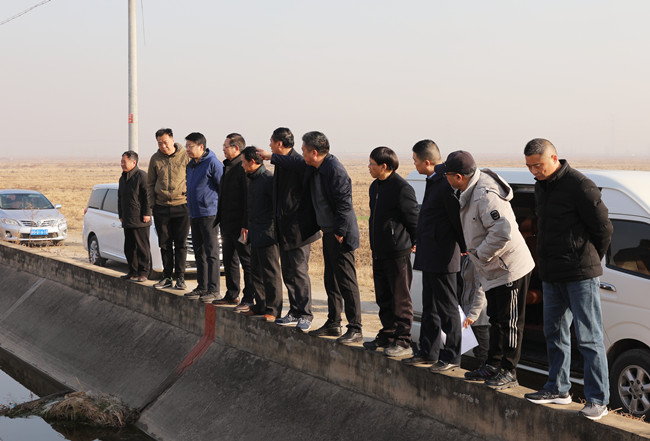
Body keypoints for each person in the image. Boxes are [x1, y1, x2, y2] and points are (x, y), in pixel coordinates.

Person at [523, 138, 613, 421]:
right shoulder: (541, 187)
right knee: (555, 333)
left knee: (589, 338)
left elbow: (603, 228)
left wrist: (586, 258)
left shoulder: (580, 185)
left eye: (537, 165)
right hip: (552, 274)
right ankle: (558, 388)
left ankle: (598, 400)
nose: (534, 171)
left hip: (580, 274)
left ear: (554, 158)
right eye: (529, 166)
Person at [442, 150, 534, 389]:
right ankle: (493, 364)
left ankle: (509, 371)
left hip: (508, 267)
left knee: (510, 321)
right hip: (491, 268)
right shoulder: (468, 190)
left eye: (447, 175)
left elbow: (502, 232)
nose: (445, 179)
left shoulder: (485, 195)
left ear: (459, 177)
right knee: (496, 318)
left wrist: (480, 254)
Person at [272, 131, 363, 345]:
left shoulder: (334, 170)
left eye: (304, 150)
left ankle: (355, 327)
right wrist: (271, 156)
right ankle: (333, 322)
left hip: (340, 235)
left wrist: (340, 232)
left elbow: (344, 204)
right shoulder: (314, 166)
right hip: (328, 232)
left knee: (346, 282)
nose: (301, 154)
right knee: (331, 280)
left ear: (314, 152)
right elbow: (294, 163)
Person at [401, 140, 466, 371]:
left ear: (427, 162)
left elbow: (456, 219)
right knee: (430, 307)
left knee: (447, 308)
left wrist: (464, 246)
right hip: (429, 253)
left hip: (443, 256)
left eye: (415, 161)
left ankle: (451, 356)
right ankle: (428, 351)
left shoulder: (445, 183)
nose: (414, 164)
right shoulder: (434, 180)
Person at [256, 127, 321, 332]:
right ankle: (294, 310)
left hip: (300, 231)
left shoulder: (297, 161)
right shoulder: (282, 164)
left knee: (299, 272)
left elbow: (298, 164)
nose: (269, 146)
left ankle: (305, 314)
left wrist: (271, 157)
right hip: (284, 230)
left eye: (271, 142)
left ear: (279, 144)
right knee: (288, 272)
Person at [364, 146, 418, 358]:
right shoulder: (375, 186)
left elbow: (413, 219)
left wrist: (415, 241)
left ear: (384, 166)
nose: (369, 167)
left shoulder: (401, 188)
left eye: (372, 164)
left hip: (397, 252)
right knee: (383, 296)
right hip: (379, 251)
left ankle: (403, 341)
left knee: (400, 298)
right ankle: (388, 334)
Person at [240, 147, 282, 322]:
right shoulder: (252, 179)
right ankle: (260, 304)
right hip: (255, 232)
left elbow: (276, 209)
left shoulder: (268, 180)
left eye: (243, 162)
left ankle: (273, 309)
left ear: (252, 161)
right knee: (255, 271)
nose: (242, 165)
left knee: (270, 273)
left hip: (268, 234)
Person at [214, 133, 255, 311]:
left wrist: (246, 224)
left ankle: (249, 297)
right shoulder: (228, 166)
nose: (223, 149)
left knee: (247, 261)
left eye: (226, 146)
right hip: (227, 223)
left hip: (240, 225)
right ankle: (232, 294)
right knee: (229, 259)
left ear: (236, 148)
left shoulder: (242, 167)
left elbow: (248, 199)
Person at [148, 128, 191, 291]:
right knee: (164, 244)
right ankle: (167, 277)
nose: (163, 146)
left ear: (172, 140)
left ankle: (180, 277)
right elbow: (150, 183)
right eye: (160, 143)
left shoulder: (185, 156)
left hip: (182, 206)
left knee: (180, 244)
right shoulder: (155, 159)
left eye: (165, 142)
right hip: (161, 207)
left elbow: (191, 178)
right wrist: (153, 204)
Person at [183, 132, 224, 303]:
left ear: (201, 147)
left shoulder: (213, 163)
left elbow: (222, 188)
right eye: (186, 146)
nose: (187, 149)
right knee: (199, 252)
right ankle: (202, 286)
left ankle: (214, 289)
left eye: (190, 146)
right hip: (195, 213)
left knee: (211, 252)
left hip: (209, 214)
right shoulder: (191, 165)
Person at [118, 150, 152, 282]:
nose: (122, 164)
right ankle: (133, 271)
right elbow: (120, 198)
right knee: (129, 247)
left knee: (142, 247)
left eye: (124, 162)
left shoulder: (142, 176)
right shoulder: (122, 178)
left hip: (140, 218)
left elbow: (147, 196)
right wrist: (121, 214)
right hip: (127, 218)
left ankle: (143, 272)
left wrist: (147, 213)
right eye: (121, 162)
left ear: (134, 162)